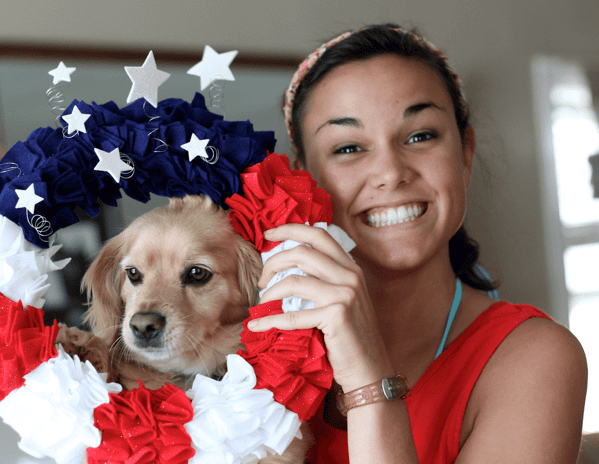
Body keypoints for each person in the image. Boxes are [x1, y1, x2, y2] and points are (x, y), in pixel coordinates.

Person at [247, 24, 588, 463]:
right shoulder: (249, 345)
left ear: (465, 154)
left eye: (420, 136)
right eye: (349, 147)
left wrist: (369, 379)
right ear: (303, 177)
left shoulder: (535, 358)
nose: (391, 171)